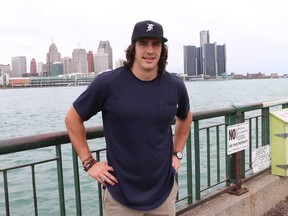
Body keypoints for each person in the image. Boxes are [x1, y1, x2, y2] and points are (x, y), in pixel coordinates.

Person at [65, 20, 193, 216]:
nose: (150, 50)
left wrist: (178, 153)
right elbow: (72, 118)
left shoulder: (175, 85)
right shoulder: (107, 83)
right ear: (133, 48)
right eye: (143, 44)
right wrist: (89, 162)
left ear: (162, 49)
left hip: (163, 191)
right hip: (120, 194)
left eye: (156, 44)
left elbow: (185, 116)